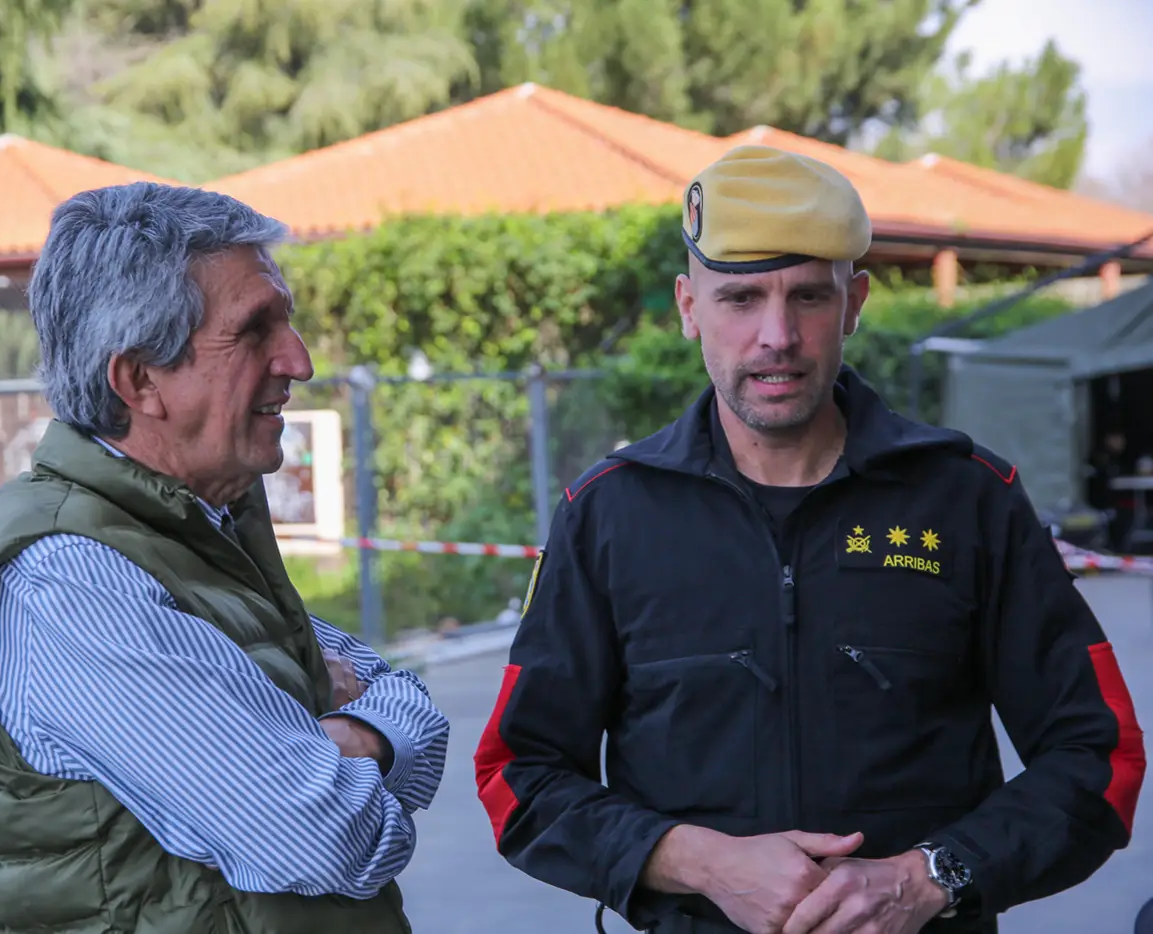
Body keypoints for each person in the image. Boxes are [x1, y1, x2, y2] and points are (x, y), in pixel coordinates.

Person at [473, 145, 1146, 934]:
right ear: (689, 308)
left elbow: (1100, 757)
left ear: (854, 302)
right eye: (740, 299)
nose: (775, 336)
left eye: (807, 297)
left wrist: (929, 877)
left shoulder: (967, 499)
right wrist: (696, 860)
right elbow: (517, 775)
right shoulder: (608, 515)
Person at [0, 182, 449, 934]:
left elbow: (411, 701)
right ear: (140, 379)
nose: (298, 361)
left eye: (289, 322)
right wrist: (333, 736)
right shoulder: (66, 578)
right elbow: (322, 837)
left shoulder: (194, 533)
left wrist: (357, 738)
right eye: (253, 331)